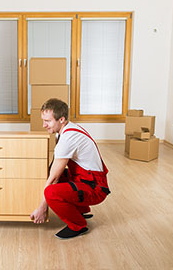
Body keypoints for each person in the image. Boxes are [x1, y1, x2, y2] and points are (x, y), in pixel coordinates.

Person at [30, 98, 110, 239]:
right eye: (43, 120)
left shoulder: (68, 138)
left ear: (61, 119)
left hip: (95, 188)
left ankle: (78, 225)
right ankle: (81, 209)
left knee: (51, 192)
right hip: (85, 179)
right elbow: (55, 168)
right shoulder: (65, 130)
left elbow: (54, 178)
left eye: (47, 121)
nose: (44, 125)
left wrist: (43, 207)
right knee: (52, 176)